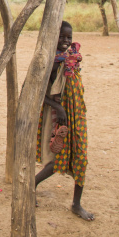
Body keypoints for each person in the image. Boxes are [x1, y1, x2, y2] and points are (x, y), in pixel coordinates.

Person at [35, 21, 94, 221]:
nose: (66, 41)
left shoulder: (72, 59)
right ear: (53, 36)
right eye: (61, 37)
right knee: (57, 159)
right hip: (60, 118)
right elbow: (38, 93)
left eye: (68, 37)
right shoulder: (51, 62)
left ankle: (76, 204)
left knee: (81, 158)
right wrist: (58, 107)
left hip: (77, 116)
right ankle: (32, 185)